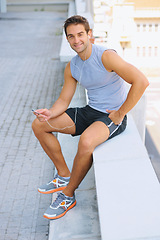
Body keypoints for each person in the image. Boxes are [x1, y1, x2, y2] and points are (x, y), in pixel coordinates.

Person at [32, 15, 149, 220]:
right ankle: (63, 175)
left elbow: (141, 81)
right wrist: (50, 112)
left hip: (111, 116)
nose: (77, 40)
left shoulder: (106, 56)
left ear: (89, 35)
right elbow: (64, 99)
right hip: (91, 110)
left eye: (80, 35)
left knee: (86, 141)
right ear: (67, 39)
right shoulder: (73, 66)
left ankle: (68, 195)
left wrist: (120, 113)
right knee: (39, 125)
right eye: (71, 36)